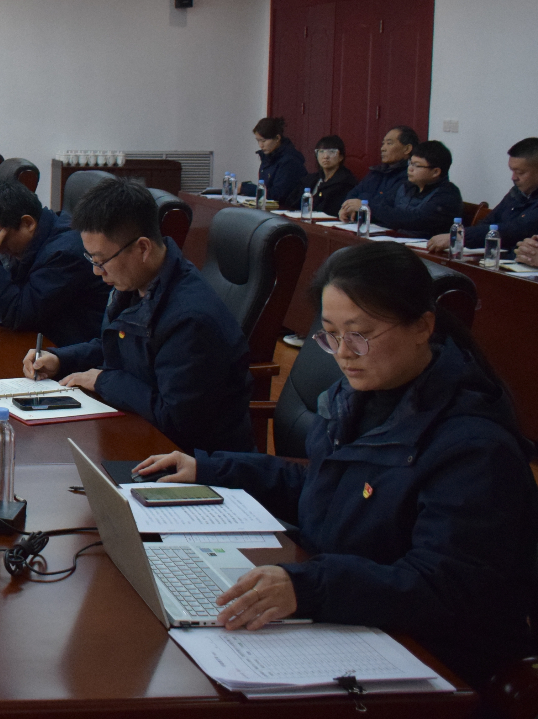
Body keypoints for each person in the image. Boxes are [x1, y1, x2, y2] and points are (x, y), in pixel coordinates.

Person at [135, 243, 538, 687]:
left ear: (423, 327)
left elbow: (443, 586)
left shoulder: (474, 446)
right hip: (354, 615)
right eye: (330, 334)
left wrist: (308, 587)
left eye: (359, 334)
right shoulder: (358, 398)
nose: (344, 352)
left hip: (431, 658)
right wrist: (211, 469)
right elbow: (329, 485)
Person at [25, 178, 253, 453]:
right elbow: (121, 347)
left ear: (143, 248)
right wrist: (62, 359)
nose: (96, 271)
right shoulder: (140, 283)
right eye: (92, 260)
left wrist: (104, 380)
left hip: (194, 460)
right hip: (142, 436)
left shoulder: (190, 320)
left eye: (101, 260)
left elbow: (174, 420)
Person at [0, 179, 107, 348]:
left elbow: (19, 314)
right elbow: (22, 294)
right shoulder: (41, 236)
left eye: (2, 239)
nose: (0, 249)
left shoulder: (64, 253)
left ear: (28, 223)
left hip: (76, 350)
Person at [428, 137, 538, 253]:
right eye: (512, 171)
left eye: (520, 172)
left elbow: (516, 230)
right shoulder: (516, 193)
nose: (514, 177)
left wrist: (461, 236)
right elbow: (488, 222)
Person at [367, 140, 462, 237]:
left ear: (435, 172)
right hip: (397, 238)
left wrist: (371, 208)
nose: (410, 169)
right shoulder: (406, 186)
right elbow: (383, 204)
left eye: (416, 165)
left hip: (426, 244)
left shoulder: (448, 194)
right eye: (410, 163)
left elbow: (415, 220)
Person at [339, 125, 417, 221]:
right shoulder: (376, 172)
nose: (383, 148)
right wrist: (346, 207)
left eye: (389, 143)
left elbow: (387, 204)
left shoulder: (410, 175)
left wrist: (363, 203)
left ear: (407, 149)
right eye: (383, 144)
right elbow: (354, 193)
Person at [249, 116, 307, 210]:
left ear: (277, 138)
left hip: (287, 211)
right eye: (258, 141)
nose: (261, 145)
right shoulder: (267, 157)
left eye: (263, 141)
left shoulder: (289, 161)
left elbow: (278, 195)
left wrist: (248, 189)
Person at [300, 134, 357, 218]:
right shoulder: (312, 179)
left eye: (332, 152)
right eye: (321, 151)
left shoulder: (345, 182)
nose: (325, 156)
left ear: (341, 157)